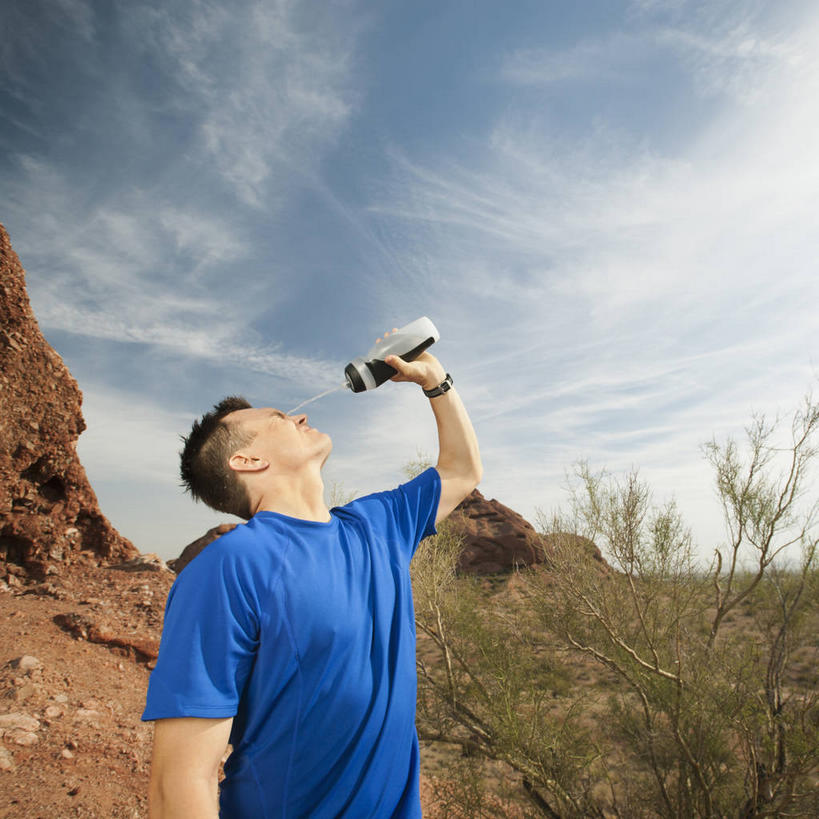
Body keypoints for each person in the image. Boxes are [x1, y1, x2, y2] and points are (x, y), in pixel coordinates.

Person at [142, 337, 481, 818]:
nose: (300, 417)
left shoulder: (377, 524)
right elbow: (179, 782)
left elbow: (462, 471)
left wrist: (436, 381)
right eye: (280, 418)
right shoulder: (228, 567)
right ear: (247, 461)